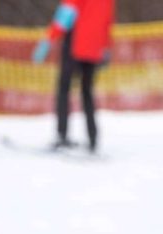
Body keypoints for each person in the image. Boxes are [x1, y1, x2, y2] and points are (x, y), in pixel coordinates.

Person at [33, 0, 115, 153]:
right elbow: (107, 21)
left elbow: (66, 15)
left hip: (75, 44)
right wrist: (105, 48)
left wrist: (48, 40)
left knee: (64, 88)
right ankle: (93, 138)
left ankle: (62, 135)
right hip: (94, 47)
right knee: (87, 92)